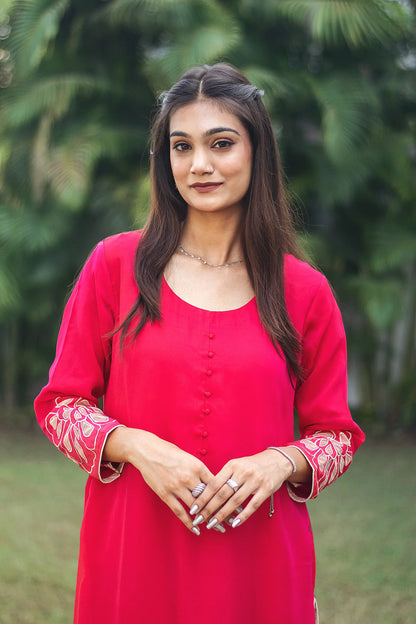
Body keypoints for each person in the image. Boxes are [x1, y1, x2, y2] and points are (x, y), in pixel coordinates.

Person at [34, 63, 364, 624]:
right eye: (181, 147)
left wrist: (281, 461)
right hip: (133, 555)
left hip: (258, 563)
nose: (200, 164)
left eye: (222, 143)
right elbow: (61, 405)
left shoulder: (305, 292)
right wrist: (136, 445)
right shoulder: (114, 266)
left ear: (257, 151)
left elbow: (336, 436)